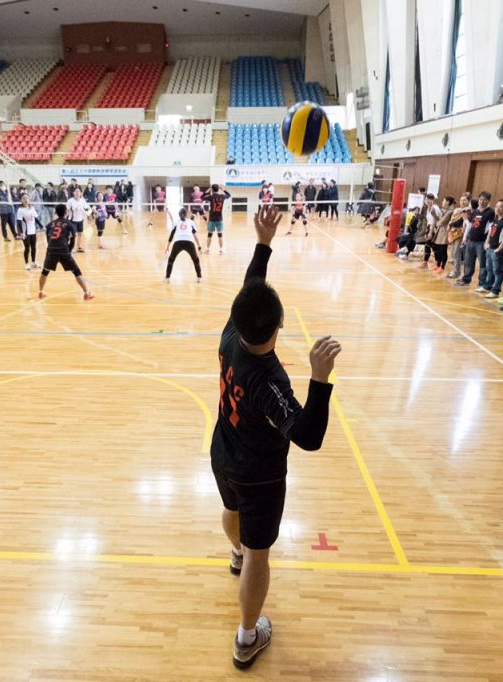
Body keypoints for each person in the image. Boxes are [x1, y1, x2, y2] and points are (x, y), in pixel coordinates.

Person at [211, 205, 341, 670]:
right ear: (281, 325)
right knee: (258, 555)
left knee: (230, 515)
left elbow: (248, 291)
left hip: (222, 450)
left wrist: (263, 243)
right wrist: (320, 379)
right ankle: (248, 637)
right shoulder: (270, 383)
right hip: (259, 476)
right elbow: (308, 437)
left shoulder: (230, 334)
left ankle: (233, 552)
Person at [38, 204, 94, 301]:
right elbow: (72, 240)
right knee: (76, 272)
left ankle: (40, 292)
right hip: (64, 250)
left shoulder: (49, 224)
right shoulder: (70, 225)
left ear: (55, 212)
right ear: (66, 213)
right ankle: (86, 293)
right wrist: (69, 250)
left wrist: (51, 247)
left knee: (45, 272)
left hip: (51, 250)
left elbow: (48, 238)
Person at [165, 207, 203, 283]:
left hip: (178, 242)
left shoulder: (176, 222)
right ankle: (199, 277)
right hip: (189, 242)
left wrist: (167, 246)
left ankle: (167, 278)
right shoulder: (190, 222)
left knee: (171, 260)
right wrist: (199, 246)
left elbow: (171, 235)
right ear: (186, 215)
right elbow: (195, 236)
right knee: (195, 260)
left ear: (179, 215)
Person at [484, 199, 503, 297]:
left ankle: (495, 291)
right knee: (489, 269)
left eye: (501, 207)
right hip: (490, 248)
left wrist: (499, 248)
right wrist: (486, 242)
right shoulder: (496, 219)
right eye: (496, 206)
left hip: (497, 250)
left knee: (497, 271)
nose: (498, 209)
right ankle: (488, 287)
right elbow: (491, 231)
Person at [446, 196, 471, 280]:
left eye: (464, 200)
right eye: (461, 200)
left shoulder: (467, 211)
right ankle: (456, 270)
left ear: (468, 201)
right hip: (453, 233)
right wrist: (450, 224)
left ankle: (457, 272)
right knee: (453, 253)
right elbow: (452, 220)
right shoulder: (457, 210)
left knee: (456, 253)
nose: (462, 202)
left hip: (460, 234)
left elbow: (459, 222)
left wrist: (451, 224)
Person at [204, 184, 231, 255]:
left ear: (212, 190)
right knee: (220, 235)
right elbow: (229, 195)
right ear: (218, 189)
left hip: (212, 219)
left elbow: (201, 197)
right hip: (219, 219)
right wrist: (223, 189)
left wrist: (208, 190)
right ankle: (221, 250)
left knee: (209, 234)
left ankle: (207, 249)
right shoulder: (222, 196)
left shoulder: (211, 197)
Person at [17, 194, 41, 270]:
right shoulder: (20, 210)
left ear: (29, 200)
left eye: (27, 198)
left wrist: (42, 226)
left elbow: (36, 219)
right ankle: (27, 263)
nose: (25, 199)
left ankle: (33, 263)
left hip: (33, 231)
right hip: (25, 232)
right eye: (23, 198)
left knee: (34, 247)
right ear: (21, 200)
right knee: (27, 248)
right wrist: (21, 233)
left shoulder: (32, 208)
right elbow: (18, 222)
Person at [431, 197, 455, 274]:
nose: (442, 202)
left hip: (445, 233)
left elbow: (441, 222)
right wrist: (434, 214)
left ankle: (442, 266)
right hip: (440, 232)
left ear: (447, 202)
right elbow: (439, 220)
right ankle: (438, 265)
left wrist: (437, 223)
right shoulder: (444, 210)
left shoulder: (450, 212)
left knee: (443, 250)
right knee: (438, 249)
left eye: (444, 201)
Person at [66, 188, 89, 253]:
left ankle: (78, 247)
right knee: (72, 235)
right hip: (72, 220)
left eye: (78, 192)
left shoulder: (82, 201)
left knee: (80, 234)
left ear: (81, 193)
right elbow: (67, 210)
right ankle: (69, 247)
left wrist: (91, 210)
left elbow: (87, 208)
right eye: (76, 191)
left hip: (80, 220)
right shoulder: (70, 201)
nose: (77, 193)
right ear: (73, 193)